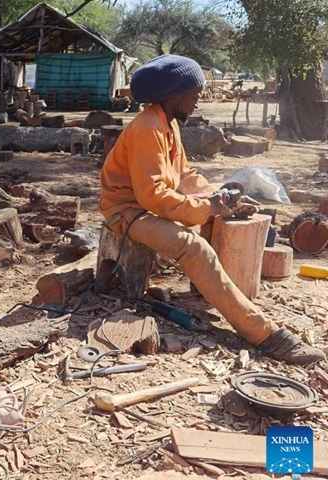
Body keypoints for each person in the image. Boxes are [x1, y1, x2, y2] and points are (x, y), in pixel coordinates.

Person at [99, 54, 324, 365]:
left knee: (212, 220)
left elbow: (184, 176)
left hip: (144, 206)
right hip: (126, 211)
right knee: (194, 247)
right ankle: (264, 334)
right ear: (174, 94)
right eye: (194, 93)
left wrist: (220, 197)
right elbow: (153, 196)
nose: (197, 100)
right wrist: (208, 207)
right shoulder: (147, 128)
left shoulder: (167, 123)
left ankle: (215, 293)